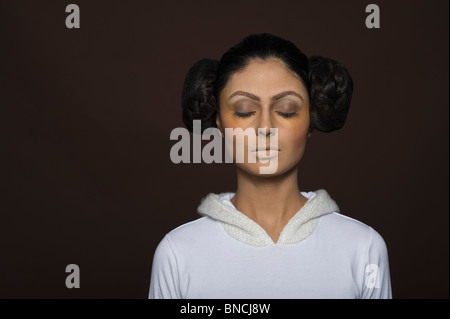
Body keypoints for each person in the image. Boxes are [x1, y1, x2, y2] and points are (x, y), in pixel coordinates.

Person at [149, 33, 392, 299]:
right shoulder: (177, 253)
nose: (265, 127)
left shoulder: (363, 248)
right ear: (219, 122)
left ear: (311, 120)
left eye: (286, 110)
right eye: (244, 110)